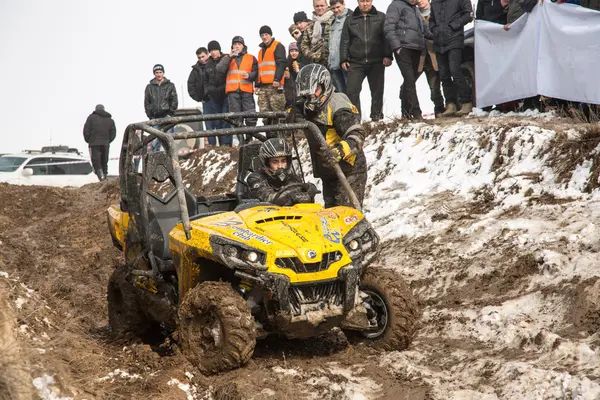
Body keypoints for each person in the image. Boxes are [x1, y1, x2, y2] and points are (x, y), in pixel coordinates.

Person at [289, 64, 367, 208]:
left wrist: (339, 151)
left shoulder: (338, 106)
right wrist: (293, 112)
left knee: (346, 214)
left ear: (325, 86)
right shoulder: (307, 105)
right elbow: (293, 109)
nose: (311, 96)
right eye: (307, 93)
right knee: (331, 215)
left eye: (315, 90)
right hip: (328, 169)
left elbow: (357, 133)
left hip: (348, 169)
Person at [340, 0, 392, 121]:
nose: (365, 4)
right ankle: (354, 119)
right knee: (352, 91)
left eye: (367, 1)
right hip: (356, 62)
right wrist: (343, 59)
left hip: (377, 61)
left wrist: (388, 55)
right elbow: (344, 41)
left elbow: (387, 37)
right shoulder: (350, 19)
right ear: (358, 2)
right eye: (362, 1)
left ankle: (376, 118)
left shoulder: (381, 17)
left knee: (377, 91)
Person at [384, 0, 432, 120]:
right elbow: (389, 27)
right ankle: (416, 113)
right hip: (403, 48)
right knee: (409, 79)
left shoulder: (415, 9)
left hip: (416, 49)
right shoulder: (395, 5)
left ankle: (405, 112)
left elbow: (425, 30)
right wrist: (397, 46)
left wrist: (440, 37)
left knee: (410, 81)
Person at [430, 0, 474, 117]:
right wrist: (434, 29)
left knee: (455, 70)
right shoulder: (434, 2)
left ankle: (466, 102)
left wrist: (453, 26)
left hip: (454, 39)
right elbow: (432, 20)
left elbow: (468, 14)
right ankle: (450, 104)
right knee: (444, 75)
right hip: (438, 42)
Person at [247, 138, 318, 206]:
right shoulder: (255, 179)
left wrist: (308, 189)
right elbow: (269, 199)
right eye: (275, 162)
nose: (280, 166)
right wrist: (292, 196)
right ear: (266, 163)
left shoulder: (291, 178)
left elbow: (299, 195)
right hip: (262, 215)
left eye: (283, 161)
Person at [218, 36, 258, 143]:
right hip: (233, 93)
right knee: (236, 118)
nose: (237, 46)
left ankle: (249, 138)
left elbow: (257, 73)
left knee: (250, 116)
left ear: (243, 46)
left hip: (247, 91)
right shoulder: (227, 58)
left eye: (239, 44)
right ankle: (241, 140)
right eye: (235, 44)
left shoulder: (251, 58)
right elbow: (220, 69)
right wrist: (229, 57)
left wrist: (250, 75)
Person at [257, 26, 287, 127]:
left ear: (270, 35)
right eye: (262, 35)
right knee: (265, 114)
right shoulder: (261, 51)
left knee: (278, 112)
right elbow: (260, 69)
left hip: (275, 85)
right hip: (263, 87)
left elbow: (281, 63)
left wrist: (277, 79)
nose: (264, 37)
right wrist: (257, 84)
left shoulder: (278, 46)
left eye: (266, 34)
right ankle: (269, 138)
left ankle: (282, 138)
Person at [203, 40, 232, 146]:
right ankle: (221, 145)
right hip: (214, 97)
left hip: (225, 95)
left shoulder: (226, 59)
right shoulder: (208, 64)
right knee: (218, 122)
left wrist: (225, 88)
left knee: (226, 120)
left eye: (215, 49)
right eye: (211, 50)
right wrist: (208, 91)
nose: (213, 52)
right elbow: (205, 80)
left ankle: (227, 144)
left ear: (219, 49)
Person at [144, 64, 178, 152]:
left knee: (168, 141)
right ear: (154, 74)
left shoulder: (170, 85)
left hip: (167, 117)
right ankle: (156, 164)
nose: (159, 74)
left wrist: (170, 113)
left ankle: (171, 162)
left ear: (163, 73)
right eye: (156, 72)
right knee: (155, 142)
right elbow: (146, 102)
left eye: (160, 72)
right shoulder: (149, 87)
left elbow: (174, 100)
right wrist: (150, 115)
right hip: (155, 118)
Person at [83, 104, 116, 181]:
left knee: (96, 162)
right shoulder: (110, 120)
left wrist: (89, 140)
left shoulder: (91, 118)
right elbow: (113, 133)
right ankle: (104, 177)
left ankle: (101, 177)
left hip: (94, 143)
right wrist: (108, 140)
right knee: (104, 161)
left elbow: (86, 130)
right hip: (105, 143)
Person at [301, 0, 335, 66]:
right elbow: (304, 45)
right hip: (317, 63)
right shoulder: (310, 26)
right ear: (314, 7)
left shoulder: (335, 20)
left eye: (322, 5)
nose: (319, 8)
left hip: (333, 61)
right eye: (317, 6)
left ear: (327, 5)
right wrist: (311, 55)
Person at [328, 0, 352, 93]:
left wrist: (348, 58)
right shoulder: (333, 21)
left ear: (344, 4)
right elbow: (331, 43)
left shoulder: (351, 18)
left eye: (338, 7)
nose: (336, 10)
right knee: (340, 95)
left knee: (351, 94)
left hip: (346, 64)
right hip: (334, 65)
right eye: (333, 8)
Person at [284, 42, 302, 108]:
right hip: (289, 98)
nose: (294, 53)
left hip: (301, 98)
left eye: (296, 51)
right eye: (291, 51)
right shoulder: (285, 63)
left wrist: (298, 71)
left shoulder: (303, 62)